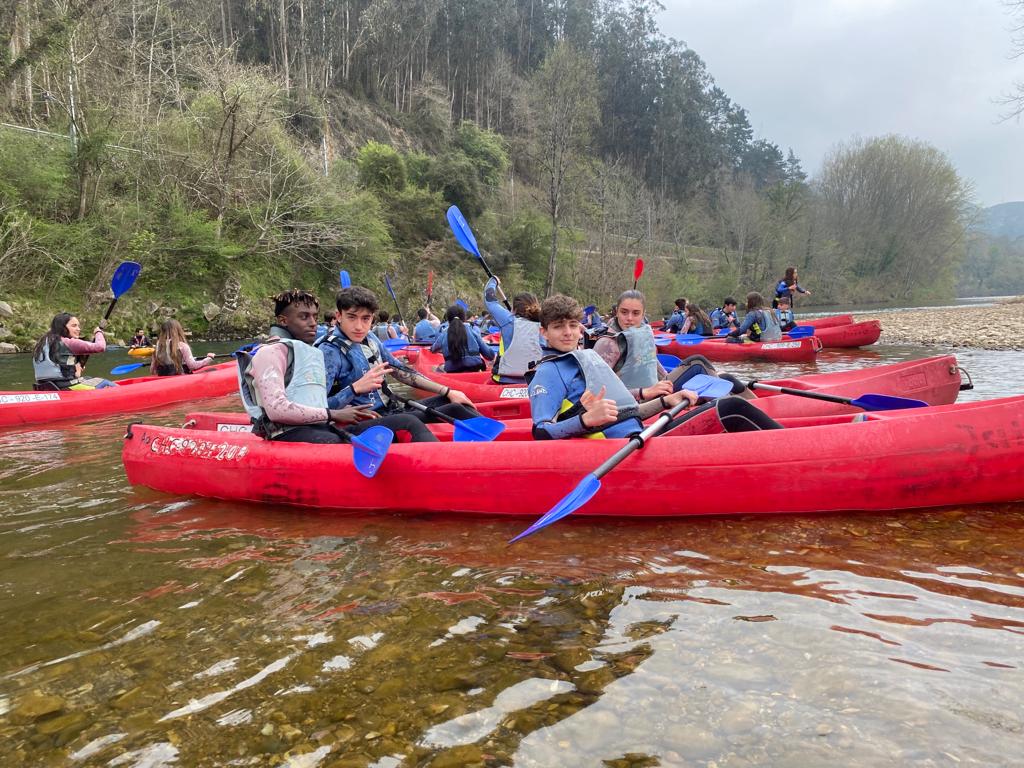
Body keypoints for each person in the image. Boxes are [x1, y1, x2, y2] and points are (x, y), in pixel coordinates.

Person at [237, 289, 438, 444]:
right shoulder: (270, 353)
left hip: (314, 425)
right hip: (286, 433)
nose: (313, 323)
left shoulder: (307, 352)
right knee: (403, 424)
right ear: (283, 320)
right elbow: (276, 411)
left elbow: (315, 401)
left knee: (383, 434)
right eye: (304, 317)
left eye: (315, 317)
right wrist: (335, 412)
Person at [529, 294, 700, 440]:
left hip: (637, 437)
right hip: (620, 448)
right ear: (544, 332)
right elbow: (541, 431)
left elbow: (625, 412)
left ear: (580, 328)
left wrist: (665, 401)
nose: (568, 332)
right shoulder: (548, 372)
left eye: (573, 325)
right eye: (558, 327)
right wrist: (586, 420)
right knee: (725, 409)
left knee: (721, 406)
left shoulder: (585, 357)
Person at [318, 286, 481, 428]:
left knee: (455, 403)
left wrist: (448, 391)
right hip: (364, 421)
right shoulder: (328, 351)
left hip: (389, 410)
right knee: (419, 420)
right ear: (339, 316)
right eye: (351, 317)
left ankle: (495, 444)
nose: (359, 326)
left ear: (372, 318)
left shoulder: (370, 337)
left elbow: (399, 370)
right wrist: (354, 389)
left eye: (365, 318)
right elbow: (317, 406)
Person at [32, 313, 115, 390]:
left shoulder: (42, 343)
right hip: (64, 387)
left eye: (78, 326)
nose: (78, 329)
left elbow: (57, 366)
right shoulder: (68, 342)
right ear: (63, 327)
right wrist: (98, 332)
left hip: (44, 387)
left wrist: (75, 370)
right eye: (74, 326)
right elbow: (100, 347)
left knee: (88, 378)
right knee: (105, 383)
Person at [484, 277, 543, 383]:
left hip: (503, 380)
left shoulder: (508, 320)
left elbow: (489, 300)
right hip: (535, 382)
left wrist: (493, 281)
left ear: (514, 309)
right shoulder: (545, 324)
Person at [431, 304, 496, 373]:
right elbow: (490, 356)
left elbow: (433, 350)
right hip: (474, 369)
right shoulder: (472, 330)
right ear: (464, 318)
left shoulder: (444, 333)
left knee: (436, 368)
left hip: (453, 372)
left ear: (448, 319)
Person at [151, 319, 216, 376]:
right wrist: (209, 358)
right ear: (178, 330)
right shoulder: (182, 346)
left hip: (163, 379)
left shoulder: (157, 348)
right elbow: (193, 366)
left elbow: (153, 371)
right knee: (212, 370)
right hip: (179, 380)